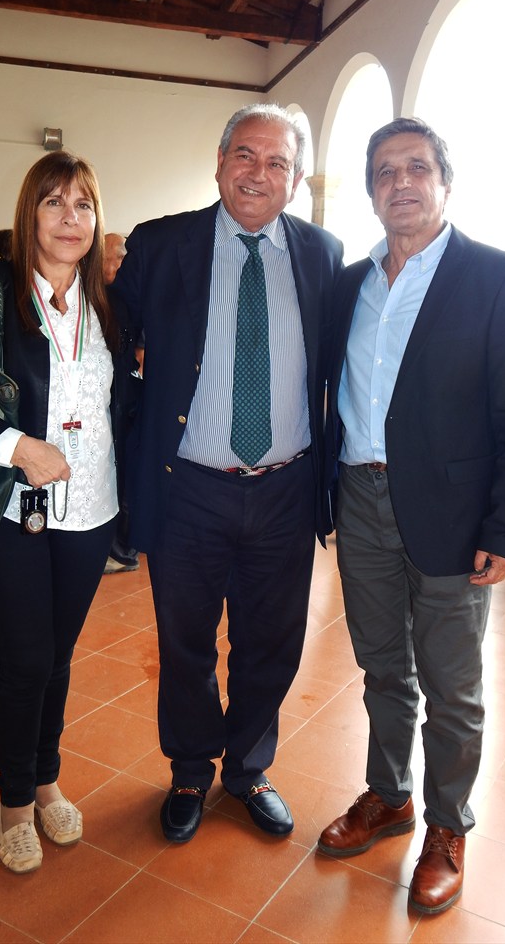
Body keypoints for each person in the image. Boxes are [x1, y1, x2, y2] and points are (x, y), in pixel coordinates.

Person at [317, 117, 505, 915]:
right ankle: (390, 797)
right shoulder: (350, 284)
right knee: (383, 667)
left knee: (452, 685)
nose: (402, 183)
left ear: (445, 182)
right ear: (371, 191)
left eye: (417, 167)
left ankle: (448, 826)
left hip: (454, 514)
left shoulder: (496, 277)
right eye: (385, 171)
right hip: (361, 500)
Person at [113, 102, 344, 843]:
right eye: (245, 154)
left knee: (271, 642)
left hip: (286, 488)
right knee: (184, 642)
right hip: (188, 488)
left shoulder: (323, 253)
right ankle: (189, 770)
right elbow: (108, 341)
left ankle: (247, 768)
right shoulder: (160, 244)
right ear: (219, 163)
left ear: (296, 180)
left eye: (278, 163)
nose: (258, 173)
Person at [0, 151, 136, 873]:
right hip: (12, 509)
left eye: (83, 205)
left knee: (57, 657)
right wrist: (18, 448)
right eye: (53, 203)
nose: (70, 219)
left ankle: (46, 781)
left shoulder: (109, 302)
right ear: (28, 213)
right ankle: (14, 802)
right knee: (28, 656)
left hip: (90, 509)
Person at [102, 232, 140, 574]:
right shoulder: (95, 298)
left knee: (126, 472)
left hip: (127, 403)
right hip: (109, 403)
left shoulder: (133, 298)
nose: (108, 263)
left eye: (115, 255)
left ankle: (124, 549)